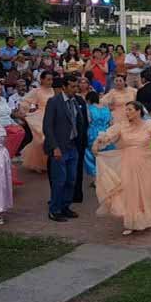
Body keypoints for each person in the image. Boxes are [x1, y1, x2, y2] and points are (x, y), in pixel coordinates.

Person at [93, 101, 151, 235]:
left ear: (138, 111)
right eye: (126, 110)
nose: (127, 112)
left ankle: (147, 219)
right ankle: (132, 221)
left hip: (146, 163)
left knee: (146, 192)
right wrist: (97, 143)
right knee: (130, 191)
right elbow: (108, 135)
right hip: (127, 161)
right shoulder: (121, 126)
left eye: (130, 110)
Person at [43, 75, 84, 222]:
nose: (75, 89)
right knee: (59, 180)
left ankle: (65, 206)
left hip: (73, 146)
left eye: (76, 86)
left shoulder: (75, 101)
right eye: (72, 86)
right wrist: (54, 147)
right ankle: (54, 209)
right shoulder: (54, 102)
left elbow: (79, 122)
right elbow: (47, 127)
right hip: (59, 147)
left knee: (71, 179)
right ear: (64, 87)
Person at [18, 70, 54, 173]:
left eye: (51, 79)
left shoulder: (53, 90)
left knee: (49, 139)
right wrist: (25, 111)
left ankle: (47, 163)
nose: (50, 82)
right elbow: (25, 101)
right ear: (42, 80)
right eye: (48, 79)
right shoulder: (36, 91)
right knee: (41, 139)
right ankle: (38, 163)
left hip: (52, 115)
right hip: (41, 116)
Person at [84, 91, 112, 178]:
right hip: (105, 132)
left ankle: (96, 174)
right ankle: (106, 174)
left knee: (91, 154)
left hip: (93, 132)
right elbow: (111, 122)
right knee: (106, 153)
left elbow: (88, 121)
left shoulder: (89, 108)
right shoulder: (106, 108)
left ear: (88, 100)